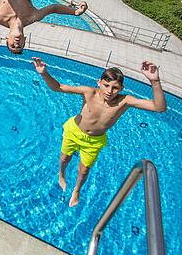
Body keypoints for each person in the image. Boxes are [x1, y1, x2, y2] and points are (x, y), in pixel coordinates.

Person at [32, 58, 166, 207]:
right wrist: (44, 73)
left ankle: (76, 190)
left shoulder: (125, 101)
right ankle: (61, 174)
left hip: (94, 141)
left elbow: (159, 107)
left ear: (121, 88)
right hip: (74, 131)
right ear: (99, 82)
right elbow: (58, 87)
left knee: (84, 170)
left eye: (115, 88)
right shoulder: (89, 92)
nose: (109, 91)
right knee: (65, 158)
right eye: (106, 85)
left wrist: (155, 82)